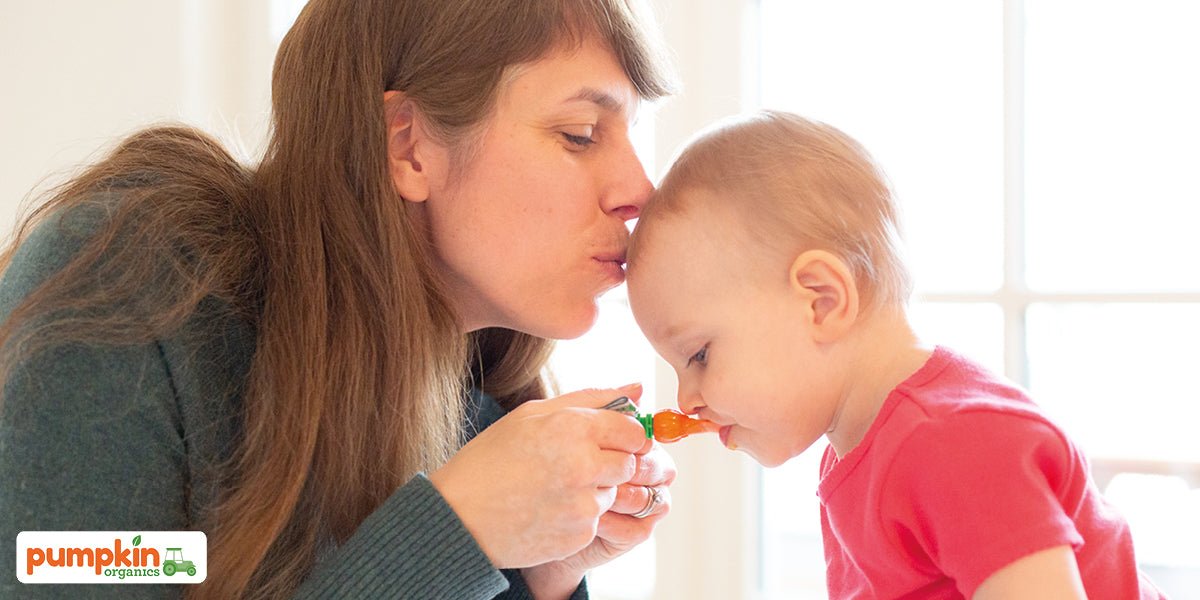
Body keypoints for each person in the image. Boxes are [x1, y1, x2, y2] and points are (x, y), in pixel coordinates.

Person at [0, 0, 680, 598]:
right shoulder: (130, 285)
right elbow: (70, 570)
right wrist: (454, 534)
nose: (639, 190)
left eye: (633, 136)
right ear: (407, 145)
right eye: (580, 135)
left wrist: (546, 579)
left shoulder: (484, 395)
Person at [625, 110, 1167, 599]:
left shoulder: (952, 441)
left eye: (698, 355)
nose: (686, 400)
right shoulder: (862, 450)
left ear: (821, 300)